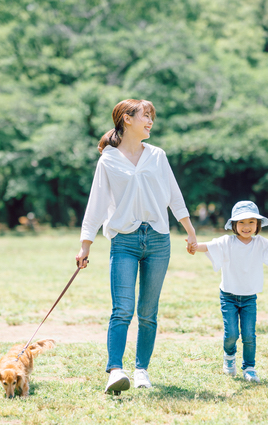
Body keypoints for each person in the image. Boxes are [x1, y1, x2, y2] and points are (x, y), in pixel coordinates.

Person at [76, 99, 197, 394]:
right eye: (145, 116)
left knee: (148, 311)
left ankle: (142, 370)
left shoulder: (157, 155)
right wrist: (85, 246)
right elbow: (96, 204)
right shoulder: (109, 160)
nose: (150, 121)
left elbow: (174, 196)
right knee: (122, 309)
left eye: (152, 117)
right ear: (127, 119)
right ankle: (115, 370)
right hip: (124, 241)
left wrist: (191, 233)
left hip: (158, 238)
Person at [191, 201, 268, 383]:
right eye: (241, 222)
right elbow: (207, 246)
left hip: (249, 298)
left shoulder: (261, 243)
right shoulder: (227, 241)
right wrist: (193, 246)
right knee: (231, 333)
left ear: (257, 225)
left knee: (249, 335)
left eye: (251, 222)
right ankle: (229, 356)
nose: (246, 226)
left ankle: (249, 367)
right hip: (228, 296)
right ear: (233, 225)